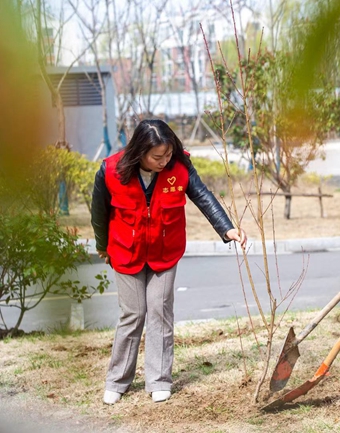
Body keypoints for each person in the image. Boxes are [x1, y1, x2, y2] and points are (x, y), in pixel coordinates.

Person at [91, 119, 247, 405]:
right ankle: (117, 381)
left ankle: (159, 379)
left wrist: (227, 228)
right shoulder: (110, 170)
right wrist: (103, 246)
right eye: (157, 156)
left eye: (168, 154)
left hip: (165, 251)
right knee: (133, 313)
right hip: (126, 250)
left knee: (160, 310)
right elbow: (99, 213)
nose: (164, 161)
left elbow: (202, 195)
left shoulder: (180, 166)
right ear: (140, 152)